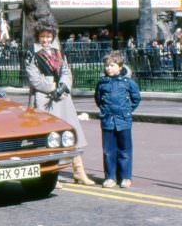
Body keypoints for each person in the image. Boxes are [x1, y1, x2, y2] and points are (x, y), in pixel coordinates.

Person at [25, 25, 94, 187]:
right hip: (44, 98)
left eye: (49, 37)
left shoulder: (58, 52)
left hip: (62, 97)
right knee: (50, 137)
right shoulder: (32, 54)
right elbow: (34, 78)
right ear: (37, 37)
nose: (45, 40)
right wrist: (51, 88)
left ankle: (79, 172)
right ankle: (51, 175)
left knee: (72, 133)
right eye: (42, 37)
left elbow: (66, 71)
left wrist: (63, 86)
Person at [94, 51, 141, 188]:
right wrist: (105, 110)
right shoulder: (102, 83)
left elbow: (136, 98)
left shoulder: (128, 82)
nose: (109, 68)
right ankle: (110, 177)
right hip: (107, 120)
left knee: (124, 150)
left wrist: (127, 110)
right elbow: (98, 99)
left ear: (120, 67)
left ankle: (125, 177)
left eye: (112, 65)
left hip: (123, 121)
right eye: (107, 66)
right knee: (108, 151)